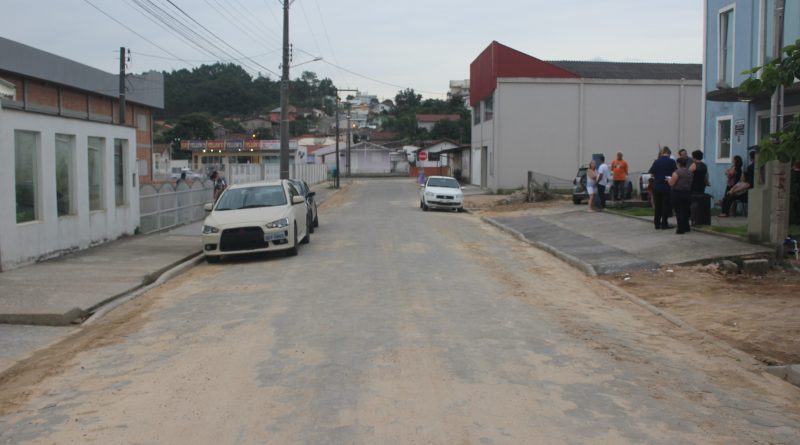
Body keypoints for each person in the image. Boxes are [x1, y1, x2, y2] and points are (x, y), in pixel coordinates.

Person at [648, 146, 677, 229]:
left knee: (658, 206)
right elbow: (675, 172)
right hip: (667, 186)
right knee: (665, 206)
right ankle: (664, 224)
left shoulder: (656, 161)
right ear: (669, 153)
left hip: (657, 186)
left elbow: (652, 172)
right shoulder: (672, 161)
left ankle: (656, 224)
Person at [721, 151, 754, 217]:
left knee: (730, 197)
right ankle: (725, 212)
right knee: (727, 196)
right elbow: (728, 173)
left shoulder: (746, 181)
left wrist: (733, 191)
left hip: (742, 192)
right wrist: (732, 190)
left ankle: (726, 212)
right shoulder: (742, 181)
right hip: (737, 189)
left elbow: (729, 174)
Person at [669, 157, 693, 234]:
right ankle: (687, 227)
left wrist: (668, 180)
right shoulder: (689, 172)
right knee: (685, 210)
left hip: (678, 192)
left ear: (678, 163)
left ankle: (680, 229)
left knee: (679, 211)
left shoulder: (677, 172)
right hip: (687, 192)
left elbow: (672, 183)